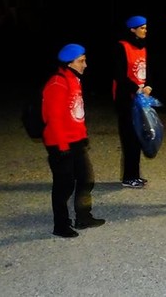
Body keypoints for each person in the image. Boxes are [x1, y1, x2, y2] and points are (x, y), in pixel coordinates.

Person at [42, 44, 105, 238]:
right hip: (61, 144)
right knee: (64, 186)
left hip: (75, 141)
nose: (85, 65)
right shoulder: (57, 83)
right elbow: (53, 118)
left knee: (86, 179)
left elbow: (75, 113)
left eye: (84, 60)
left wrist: (82, 136)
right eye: (81, 61)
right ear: (69, 63)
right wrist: (62, 147)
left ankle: (83, 217)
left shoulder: (74, 80)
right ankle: (60, 225)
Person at [112, 15, 152, 188]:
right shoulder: (122, 47)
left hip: (140, 99)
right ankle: (129, 177)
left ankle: (134, 174)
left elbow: (145, 71)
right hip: (126, 100)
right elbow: (119, 75)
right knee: (130, 138)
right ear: (132, 30)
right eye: (142, 27)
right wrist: (136, 88)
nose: (145, 30)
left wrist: (148, 86)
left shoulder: (143, 47)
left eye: (145, 27)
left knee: (138, 137)